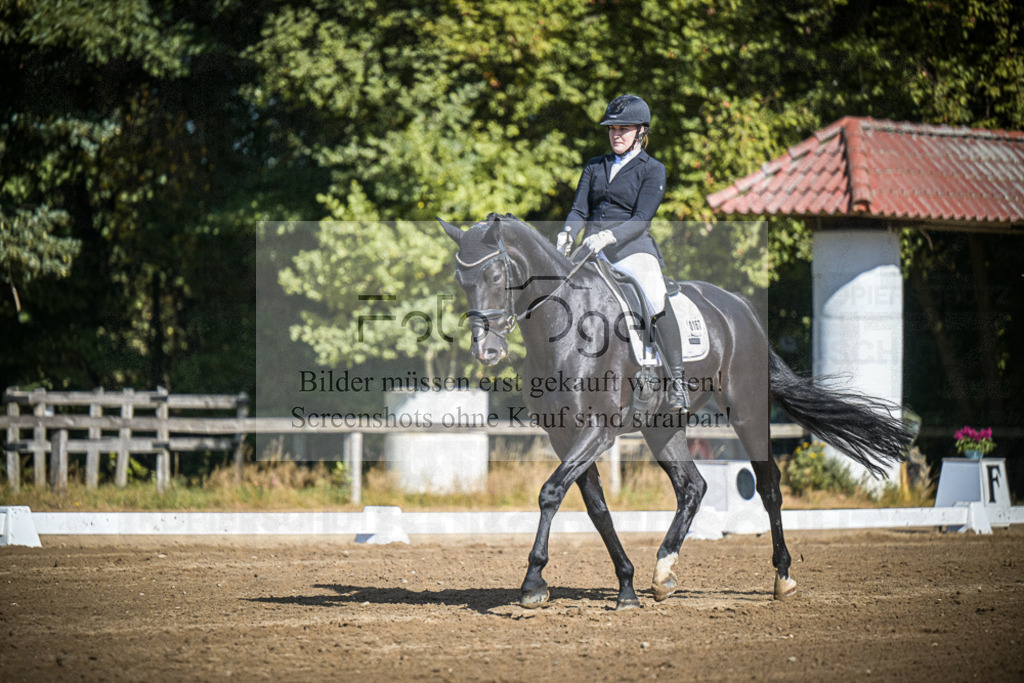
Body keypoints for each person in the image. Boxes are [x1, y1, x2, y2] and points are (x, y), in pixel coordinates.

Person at [557, 94, 689, 411]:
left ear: (641, 131)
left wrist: (608, 236)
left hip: (632, 249)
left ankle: (678, 383)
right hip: (590, 250)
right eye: (612, 129)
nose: (616, 134)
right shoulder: (594, 166)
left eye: (624, 129)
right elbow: (578, 210)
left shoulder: (653, 170)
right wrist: (567, 233)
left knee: (655, 296)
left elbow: (641, 219)